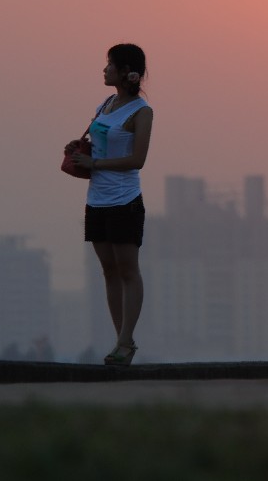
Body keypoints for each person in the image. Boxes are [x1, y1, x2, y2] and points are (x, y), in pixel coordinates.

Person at [65, 43, 153, 366]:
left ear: (125, 71)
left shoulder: (141, 112)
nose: (104, 70)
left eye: (109, 65)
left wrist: (96, 165)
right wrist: (80, 151)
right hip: (97, 199)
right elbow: (98, 147)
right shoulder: (106, 104)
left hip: (124, 199)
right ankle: (121, 341)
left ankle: (126, 340)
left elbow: (137, 159)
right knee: (108, 271)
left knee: (128, 269)